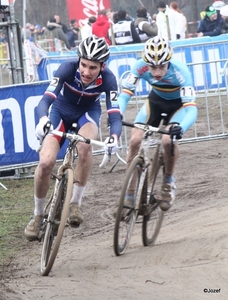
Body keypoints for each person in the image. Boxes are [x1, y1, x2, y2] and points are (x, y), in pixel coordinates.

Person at [24, 35, 122, 241]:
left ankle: (75, 203)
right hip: (60, 112)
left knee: (85, 148)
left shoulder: (110, 79)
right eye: (84, 65)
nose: (86, 72)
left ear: (102, 67)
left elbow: (114, 112)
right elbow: (45, 100)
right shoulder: (66, 68)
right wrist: (42, 119)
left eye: (92, 68)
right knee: (45, 163)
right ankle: (38, 215)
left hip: (87, 114)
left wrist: (114, 137)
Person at [117, 36, 198, 211]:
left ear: (168, 61)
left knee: (168, 140)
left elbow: (192, 109)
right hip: (155, 101)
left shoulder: (180, 71)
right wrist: (116, 113)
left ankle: (168, 181)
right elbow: (124, 94)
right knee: (134, 141)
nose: (157, 72)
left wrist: (181, 128)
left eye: (162, 66)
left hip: (179, 106)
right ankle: (130, 191)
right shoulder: (140, 66)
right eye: (153, 67)